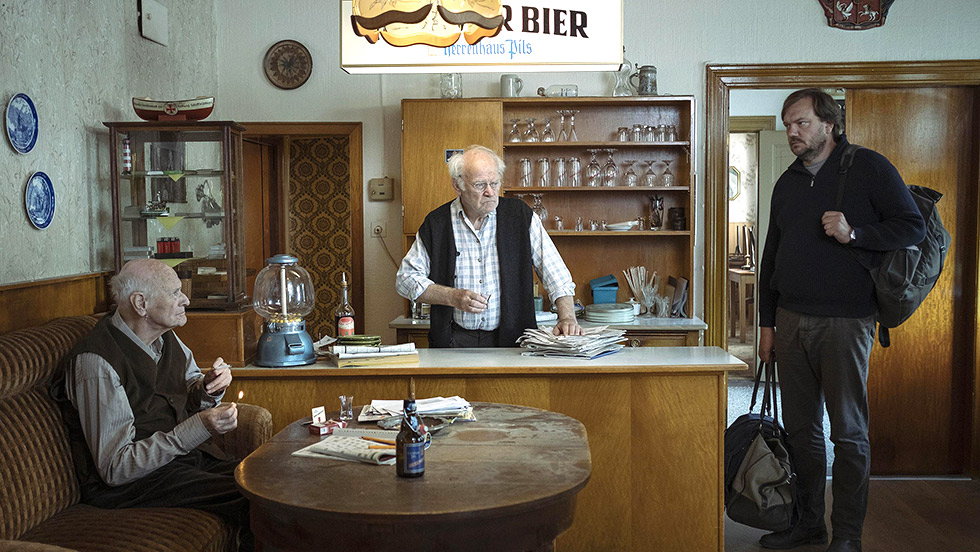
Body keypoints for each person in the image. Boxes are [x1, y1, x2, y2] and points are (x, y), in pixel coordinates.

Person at [756, 89, 926, 552]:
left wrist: (856, 233)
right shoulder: (787, 182)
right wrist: (766, 325)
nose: (792, 131)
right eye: (788, 124)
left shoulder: (868, 167)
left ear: (829, 124)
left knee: (848, 434)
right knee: (801, 433)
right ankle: (809, 523)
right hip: (791, 320)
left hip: (847, 323)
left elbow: (913, 226)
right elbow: (771, 256)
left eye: (801, 123)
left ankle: (847, 535)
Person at [52, 258, 252, 550]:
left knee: (263, 480)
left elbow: (190, 386)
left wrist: (209, 389)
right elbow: (116, 468)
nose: (185, 299)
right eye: (174, 293)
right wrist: (199, 427)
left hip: (178, 463)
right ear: (141, 304)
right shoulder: (96, 363)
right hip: (133, 485)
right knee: (252, 498)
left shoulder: (165, 337)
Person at [396, 144, 582, 348]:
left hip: (514, 341)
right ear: (458, 186)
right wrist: (452, 296)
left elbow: (556, 275)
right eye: (480, 185)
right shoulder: (436, 223)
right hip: (453, 341)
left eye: (495, 182)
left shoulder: (520, 216)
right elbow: (406, 279)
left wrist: (567, 317)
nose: (490, 192)